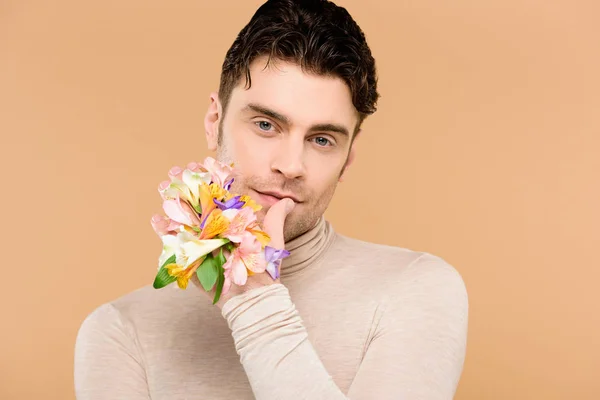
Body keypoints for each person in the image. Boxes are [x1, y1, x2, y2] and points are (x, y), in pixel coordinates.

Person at [74, 0, 469, 399]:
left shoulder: (415, 289)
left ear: (348, 157)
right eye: (266, 125)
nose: (291, 165)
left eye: (321, 140)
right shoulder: (122, 331)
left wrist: (255, 302)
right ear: (215, 122)